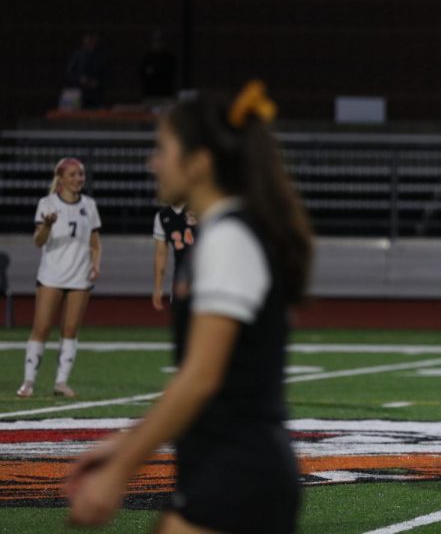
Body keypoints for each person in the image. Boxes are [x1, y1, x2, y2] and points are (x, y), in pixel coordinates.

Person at [66, 81, 311, 533]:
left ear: (199, 163)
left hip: (237, 474)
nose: (153, 163)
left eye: (163, 149)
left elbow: (201, 378)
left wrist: (122, 468)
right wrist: (123, 445)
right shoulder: (227, 233)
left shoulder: (227, 240)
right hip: (232, 470)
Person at [18, 158, 102, 399]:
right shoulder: (47, 204)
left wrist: (96, 265)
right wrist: (46, 225)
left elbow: (95, 243)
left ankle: (61, 382)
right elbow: (38, 242)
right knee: (41, 328)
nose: (78, 179)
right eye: (73, 175)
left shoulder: (89, 205)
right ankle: (28, 381)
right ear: (61, 178)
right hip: (52, 275)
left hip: (80, 276)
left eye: (81, 174)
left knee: (70, 330)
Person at [151, 203, 196, 310]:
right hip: (181, 280)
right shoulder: (162, 216)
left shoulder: (200, 207)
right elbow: (161, 254)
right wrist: (158, 288)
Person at [66, 33, 108, 109]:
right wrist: (80, 79)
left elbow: (106, 73)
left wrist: (98, 82)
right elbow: (70, 72)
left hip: (97, 91)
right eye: (89, 40)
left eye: (93, 40)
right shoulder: (78, 54)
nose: (91, 42)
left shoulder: (101, 55)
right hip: (80, 90)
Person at [140, 30, 178, 100]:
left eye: (160, 41)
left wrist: (155, 71)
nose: (158, 44)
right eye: (156, 41)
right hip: (150, 93)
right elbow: (143, 73)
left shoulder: (169, 58)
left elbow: (169, 73)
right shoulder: (147, 58)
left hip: (166, 93)